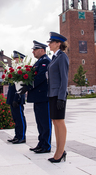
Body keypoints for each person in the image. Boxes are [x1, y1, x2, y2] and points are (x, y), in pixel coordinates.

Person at [19, 40, 52, 153]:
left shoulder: (45, 61)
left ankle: (46, 145)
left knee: (45, 122)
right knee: (40, 122)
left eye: (35, 49)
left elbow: (40, 78)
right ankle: (41, 143)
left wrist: (27, 87)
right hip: (38, 97)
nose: (33, 51)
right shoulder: (39, 62)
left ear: (42, 50)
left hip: (43, 97)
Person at [47, 32, 69, 163]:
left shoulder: (62, 57)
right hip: (52, 94)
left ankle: (60, 152)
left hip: (58, 95)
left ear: (58, 44)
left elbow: (64, 78)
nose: (49, 44)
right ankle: (59, 150)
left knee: (59, 122)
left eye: (51, 42)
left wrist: (61, 97)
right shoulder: (54, 57)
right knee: (55, 121)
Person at [6, 50, 26, 144]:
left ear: (21, 59)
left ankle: (21, 136)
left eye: (16, 58)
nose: (14, 60)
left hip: (17, 98)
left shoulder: (22, 70)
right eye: (13, 58)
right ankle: (17, 135)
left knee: (19, 117)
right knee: (15, 118)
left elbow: (21, 86)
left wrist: (17, 98)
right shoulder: (14, 69)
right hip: (12, 97)